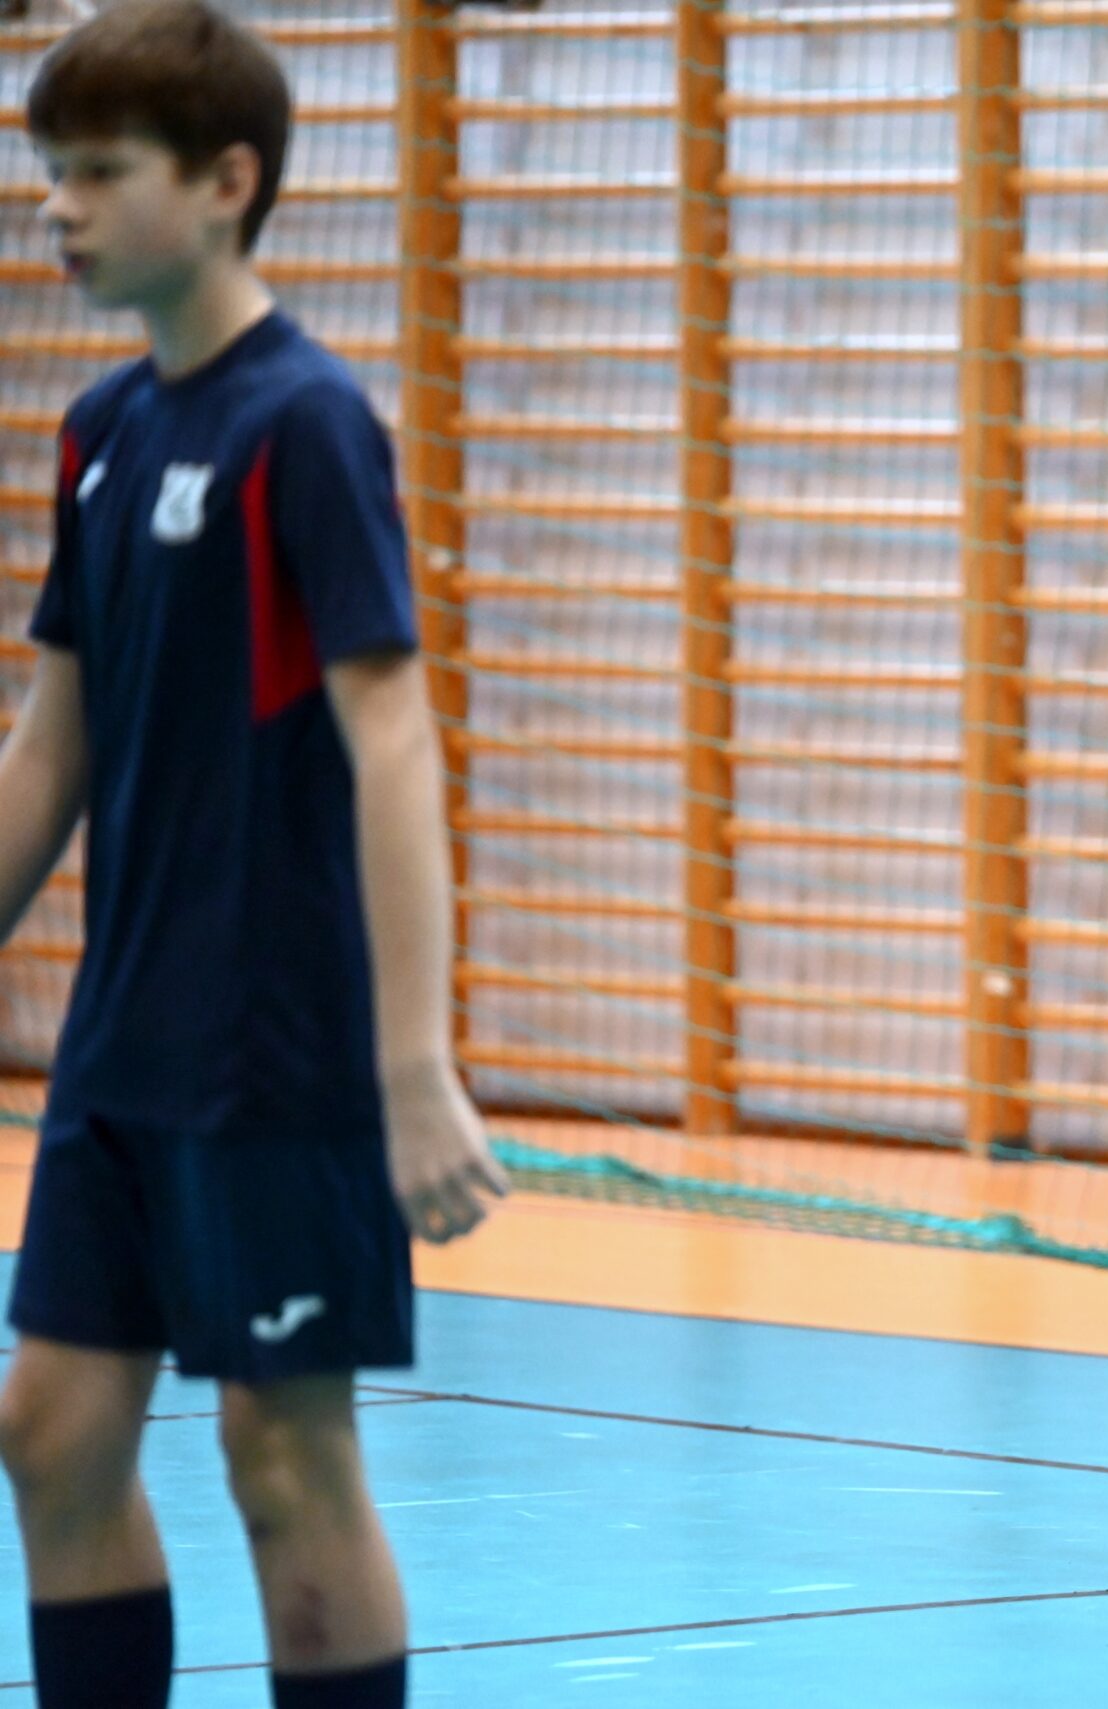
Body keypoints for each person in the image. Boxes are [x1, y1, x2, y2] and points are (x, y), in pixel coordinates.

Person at [0, 4, 508, 1702]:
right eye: (49, 170)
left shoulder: (306, 423)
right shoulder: (100, 433)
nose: (57, 206)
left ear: (226, 183)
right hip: (122, 1044)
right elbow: (50, 745)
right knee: (52, 1429)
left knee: (283, 1455)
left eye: (98, 172)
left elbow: (393, 739)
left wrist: (412, 1068)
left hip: (277, 1052)